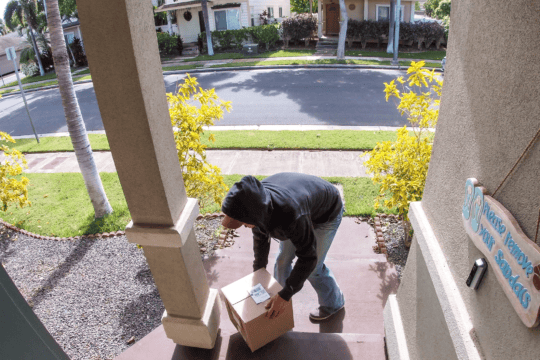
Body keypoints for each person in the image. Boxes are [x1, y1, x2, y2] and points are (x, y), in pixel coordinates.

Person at [221, 172, 345, 321]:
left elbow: (308, 258)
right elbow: (261, 240)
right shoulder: (256, 204)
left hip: (326, 213)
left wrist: (286, 294)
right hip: (301, 209)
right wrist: (258, 272)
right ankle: (279, 307)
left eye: (243, 223)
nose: (245, 226)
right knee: (282, 260)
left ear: (255, 216)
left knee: (314, 269)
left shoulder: (290, 215)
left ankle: (333, 304)